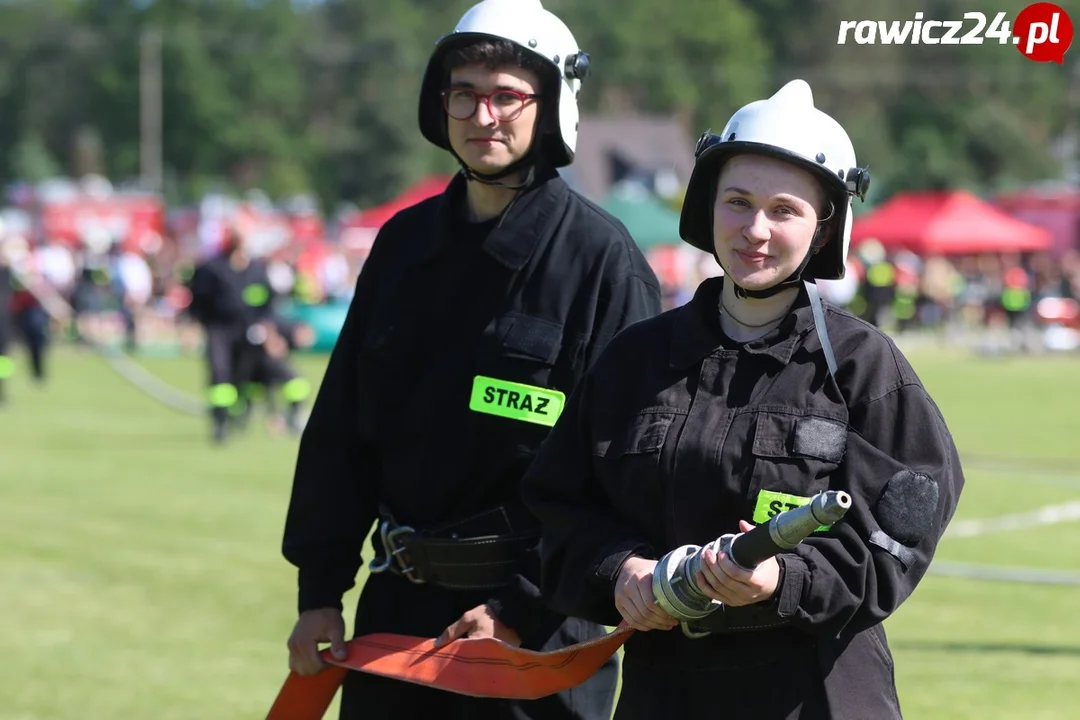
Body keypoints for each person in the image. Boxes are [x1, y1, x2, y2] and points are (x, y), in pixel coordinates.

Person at [521, 79, 965, 719]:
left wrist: (785, 579)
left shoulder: (866, 370)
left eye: (785, 210)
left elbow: (899, 536)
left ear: (823, 228)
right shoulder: (633, 361)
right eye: (738, 202)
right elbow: (556, 511)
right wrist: (618, 572)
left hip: (815, 693)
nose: (755, 229)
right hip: (665, 691)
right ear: (706, 206)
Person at [280, 1, 662, 718]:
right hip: (397, 615)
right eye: (465, 93)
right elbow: (341, 434)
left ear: (550, 107)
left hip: (535, 632)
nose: (483, 115)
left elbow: (625, 471)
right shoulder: (401, 246)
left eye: (507, 95)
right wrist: (320, 593)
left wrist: (519, 606)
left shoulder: (603, 264)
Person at [187, 228, 310, 443]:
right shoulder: (212, 269)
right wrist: (191, 326)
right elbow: (198, 303)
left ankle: (258, 415)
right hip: (220, 329)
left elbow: (266, 308)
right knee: (221, 375)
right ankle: (221, 424)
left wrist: (272, 334)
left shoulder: (256, 270)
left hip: (251, 331)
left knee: (259, 375)